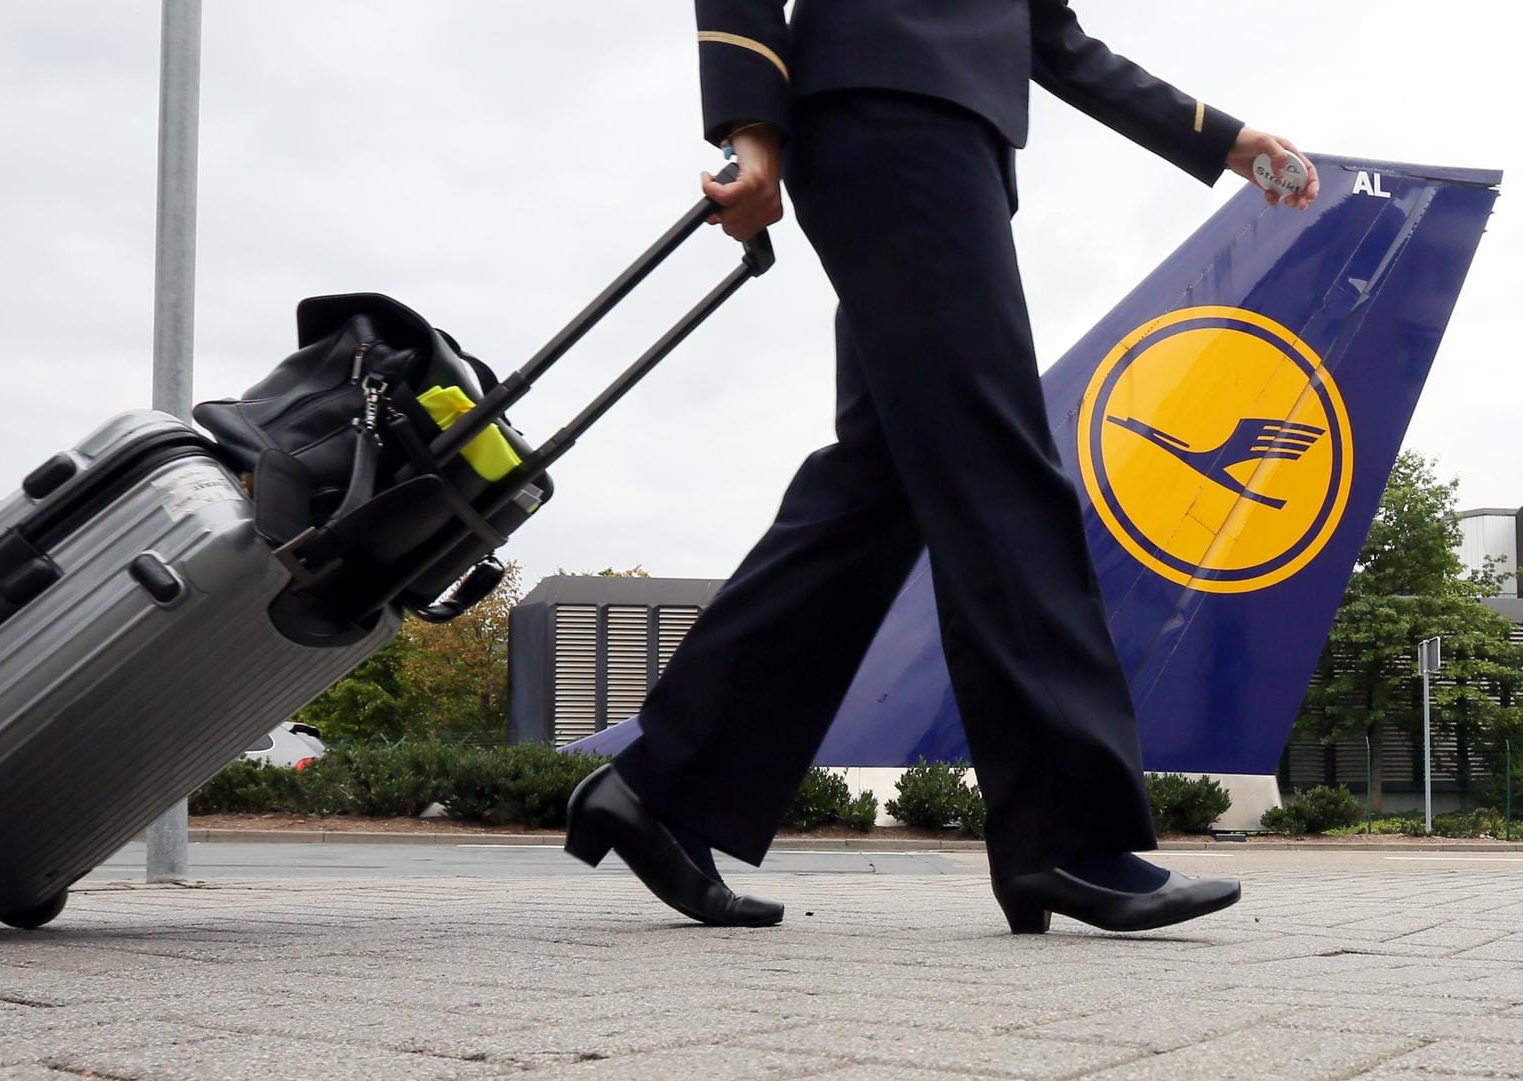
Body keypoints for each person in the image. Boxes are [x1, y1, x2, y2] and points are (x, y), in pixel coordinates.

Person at [564, 1, 1319, 935]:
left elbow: (1051, 38)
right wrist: (752, 127)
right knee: (999, 463)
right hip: (891, 123)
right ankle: (1066, 833)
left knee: (879, 484)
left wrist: (1222, 139)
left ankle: (662, 784)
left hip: (941, 145)